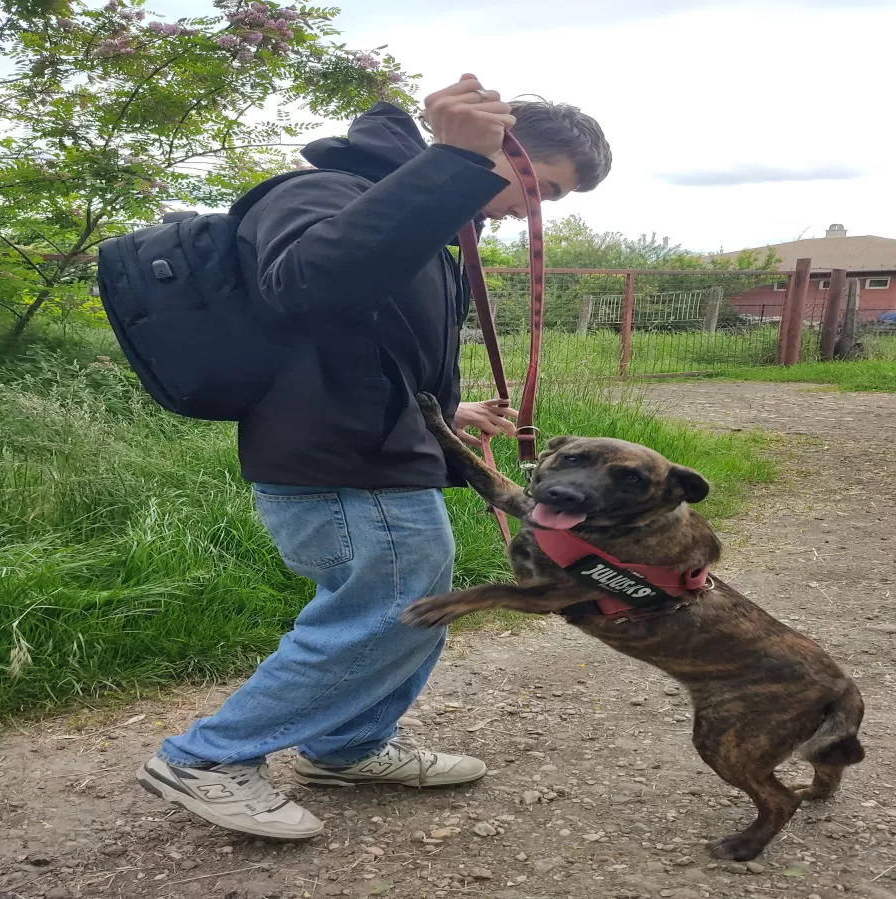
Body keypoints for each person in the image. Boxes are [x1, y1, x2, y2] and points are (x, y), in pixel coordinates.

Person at [138, 74, 612, 839]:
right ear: (508, 147)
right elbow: (305, 287)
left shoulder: (426, 223)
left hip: (376, 448)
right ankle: (208, 757)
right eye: (544, 188)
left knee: (409, 604)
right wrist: (454, 162)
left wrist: (444, 409)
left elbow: (362, 341)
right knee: (390, 608)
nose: (534, 210)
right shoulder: (324, 191)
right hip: (335, 461)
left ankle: (347, 745)